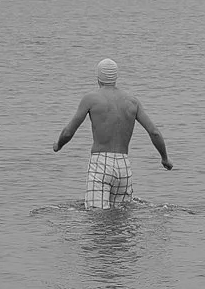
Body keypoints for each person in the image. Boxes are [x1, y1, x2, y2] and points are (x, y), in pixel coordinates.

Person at [54, 59, 172, 208]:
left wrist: (58, 145)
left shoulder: (91, 98)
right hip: (124, 166)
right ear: (116, 77)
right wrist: (165, 158)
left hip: (100, 163)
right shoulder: (132, 101)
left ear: (98, 77)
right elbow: (154, 132)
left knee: (96, 216)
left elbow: (68, 132)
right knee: (120, 216)